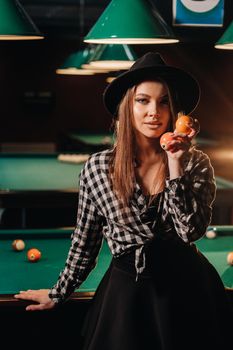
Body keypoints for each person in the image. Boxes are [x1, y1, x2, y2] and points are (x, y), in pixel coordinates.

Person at [15, 52, 232, 350]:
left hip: (189, 293)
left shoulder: (195, 163)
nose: (154, 110)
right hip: (125, 296)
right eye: (143, 100)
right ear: (126, 107)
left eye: (164, 101)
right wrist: (58, 292)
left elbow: (189, 232)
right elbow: (85, 243)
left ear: (175, 110)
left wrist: (175, 165)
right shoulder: (97, 168)